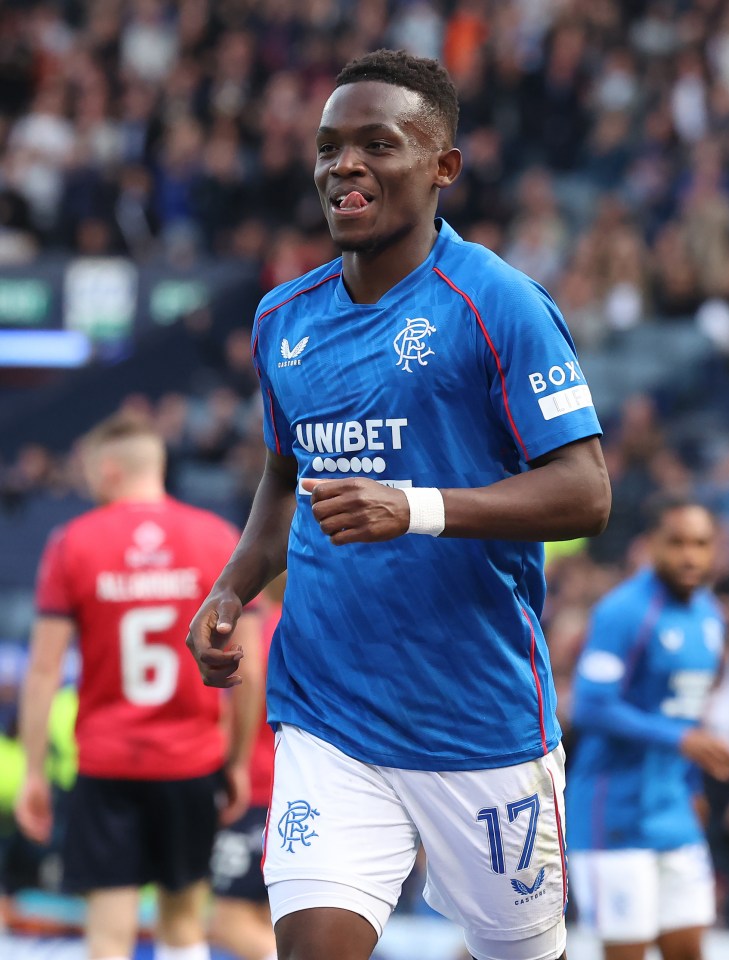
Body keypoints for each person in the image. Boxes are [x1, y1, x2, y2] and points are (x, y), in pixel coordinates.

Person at [187, 48, 611, 960]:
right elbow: (283, 470)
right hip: (328, 710)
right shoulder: (281, 320)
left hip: (479, 722)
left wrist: (414, 508)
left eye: (377, 144)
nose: (344, 165)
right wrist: (234, 587)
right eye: (329, 146)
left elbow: (587, 492)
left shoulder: (498, 302)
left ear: (442, 166)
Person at [14, 414, 261, 960]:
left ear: (107, 470)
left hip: (107, 767)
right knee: (184, 927)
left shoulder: (72, 543)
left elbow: (43, 670)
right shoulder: (215, 537)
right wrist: (239, 760)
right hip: (192, 762)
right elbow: (251, 666)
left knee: (108, 936)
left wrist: (34, 769)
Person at [566, 494, 729, 960]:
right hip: (614, 813)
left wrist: (691, 781)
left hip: (674, 812)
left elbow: (686, 709)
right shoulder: (624, 611)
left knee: (689, 949)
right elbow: (591, 707)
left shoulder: (710, 616)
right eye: (677, 542)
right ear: (651, 546)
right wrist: (681, 740)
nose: (690, 555)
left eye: (701, 543)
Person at [209, 575, 283, 960]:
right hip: (294, 791)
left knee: (228, 920)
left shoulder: (257, 635)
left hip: (253, 794)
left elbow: (228, 714)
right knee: (271, 918)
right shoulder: (310, 630)